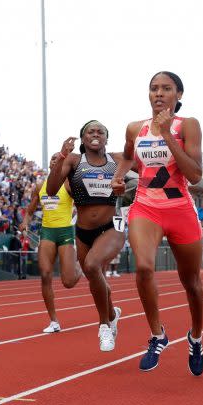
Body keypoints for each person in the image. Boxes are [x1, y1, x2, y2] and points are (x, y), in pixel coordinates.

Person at [111, 71, 203, 375]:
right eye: (154, 89)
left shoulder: (187, 125)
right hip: (146, 206)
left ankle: (196, 338)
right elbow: (127, 157)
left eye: (166, 88)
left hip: (180, 208)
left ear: (178, 95)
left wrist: (166, 135)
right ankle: (157, 335)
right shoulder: (135, 128)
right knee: (143, 267)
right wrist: (117, 175)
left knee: (191, 284)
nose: (159, 93)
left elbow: (194, 175)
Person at [46, 120, 123, 352]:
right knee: (96, 278)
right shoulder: (73, 160)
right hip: (82, 233)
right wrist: (61, 156)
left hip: (111, 228)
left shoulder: (117, 160)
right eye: (91, 131)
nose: (96, 134)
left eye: (101, 131)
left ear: (107, 139)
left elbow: (149, 173)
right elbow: (51, 190)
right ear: (83, 138)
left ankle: (104, 325)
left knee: (91, 266)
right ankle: (112, 313)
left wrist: (130, 187)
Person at [21, 152, 83, 333]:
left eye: (59, 159)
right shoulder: (40, 186)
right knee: (45, 274)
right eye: (53, 159)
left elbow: (82, 206)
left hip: (65, 231)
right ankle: (54, 321)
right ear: (49, 164)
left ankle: (80, 265)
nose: (56, 161)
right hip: (47, 232)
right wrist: (25, 222)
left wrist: (79, 220)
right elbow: (30, 210)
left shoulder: (68, 184)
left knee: (69, 282)